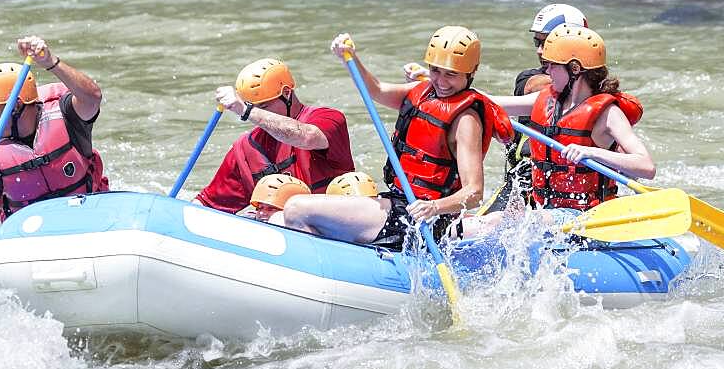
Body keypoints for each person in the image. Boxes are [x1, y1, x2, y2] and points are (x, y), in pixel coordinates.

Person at [283, 27, 513, 247]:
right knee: (294, 210)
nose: (441, 82)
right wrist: (350, 59)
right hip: (399, 203)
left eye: (451, 74)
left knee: (296, 208)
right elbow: (377, 90)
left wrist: (433, 207)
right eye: (435, 71)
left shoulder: (466, 121)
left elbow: (473, 193)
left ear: (471, 72)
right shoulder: (422, 92)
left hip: (423, 219)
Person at [0, 36, 109, 254]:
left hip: (89, 222)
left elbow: (92, 97)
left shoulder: (68, 117)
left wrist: (50, 62)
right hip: (33, 240)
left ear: (16, 106)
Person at [489, 23, 651, 212]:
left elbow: (646, 167)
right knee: (467, 229)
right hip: (543, 209)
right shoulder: (548, 99)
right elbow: (493, 102)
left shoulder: (608, 115)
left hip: (584, 215)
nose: (547, 71)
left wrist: (592, 152)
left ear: (574, 68)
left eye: (552, 66)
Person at [193, 58, 355, 213]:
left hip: (335, 223)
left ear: (286, 93)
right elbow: (206, 204)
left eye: (263, 106)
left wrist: (246, 110)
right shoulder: (244, 148)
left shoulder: (328, 118)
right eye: (253, 108)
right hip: (281, 226)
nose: (257, 115)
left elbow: (307, 137)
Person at [479, 4, 591, 213]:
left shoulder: (601, 101)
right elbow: (539, 87)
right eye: (537, 42)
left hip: (576, 195)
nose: (540, 50)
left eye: (546, 42)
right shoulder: (530, 79)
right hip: (525, 182)